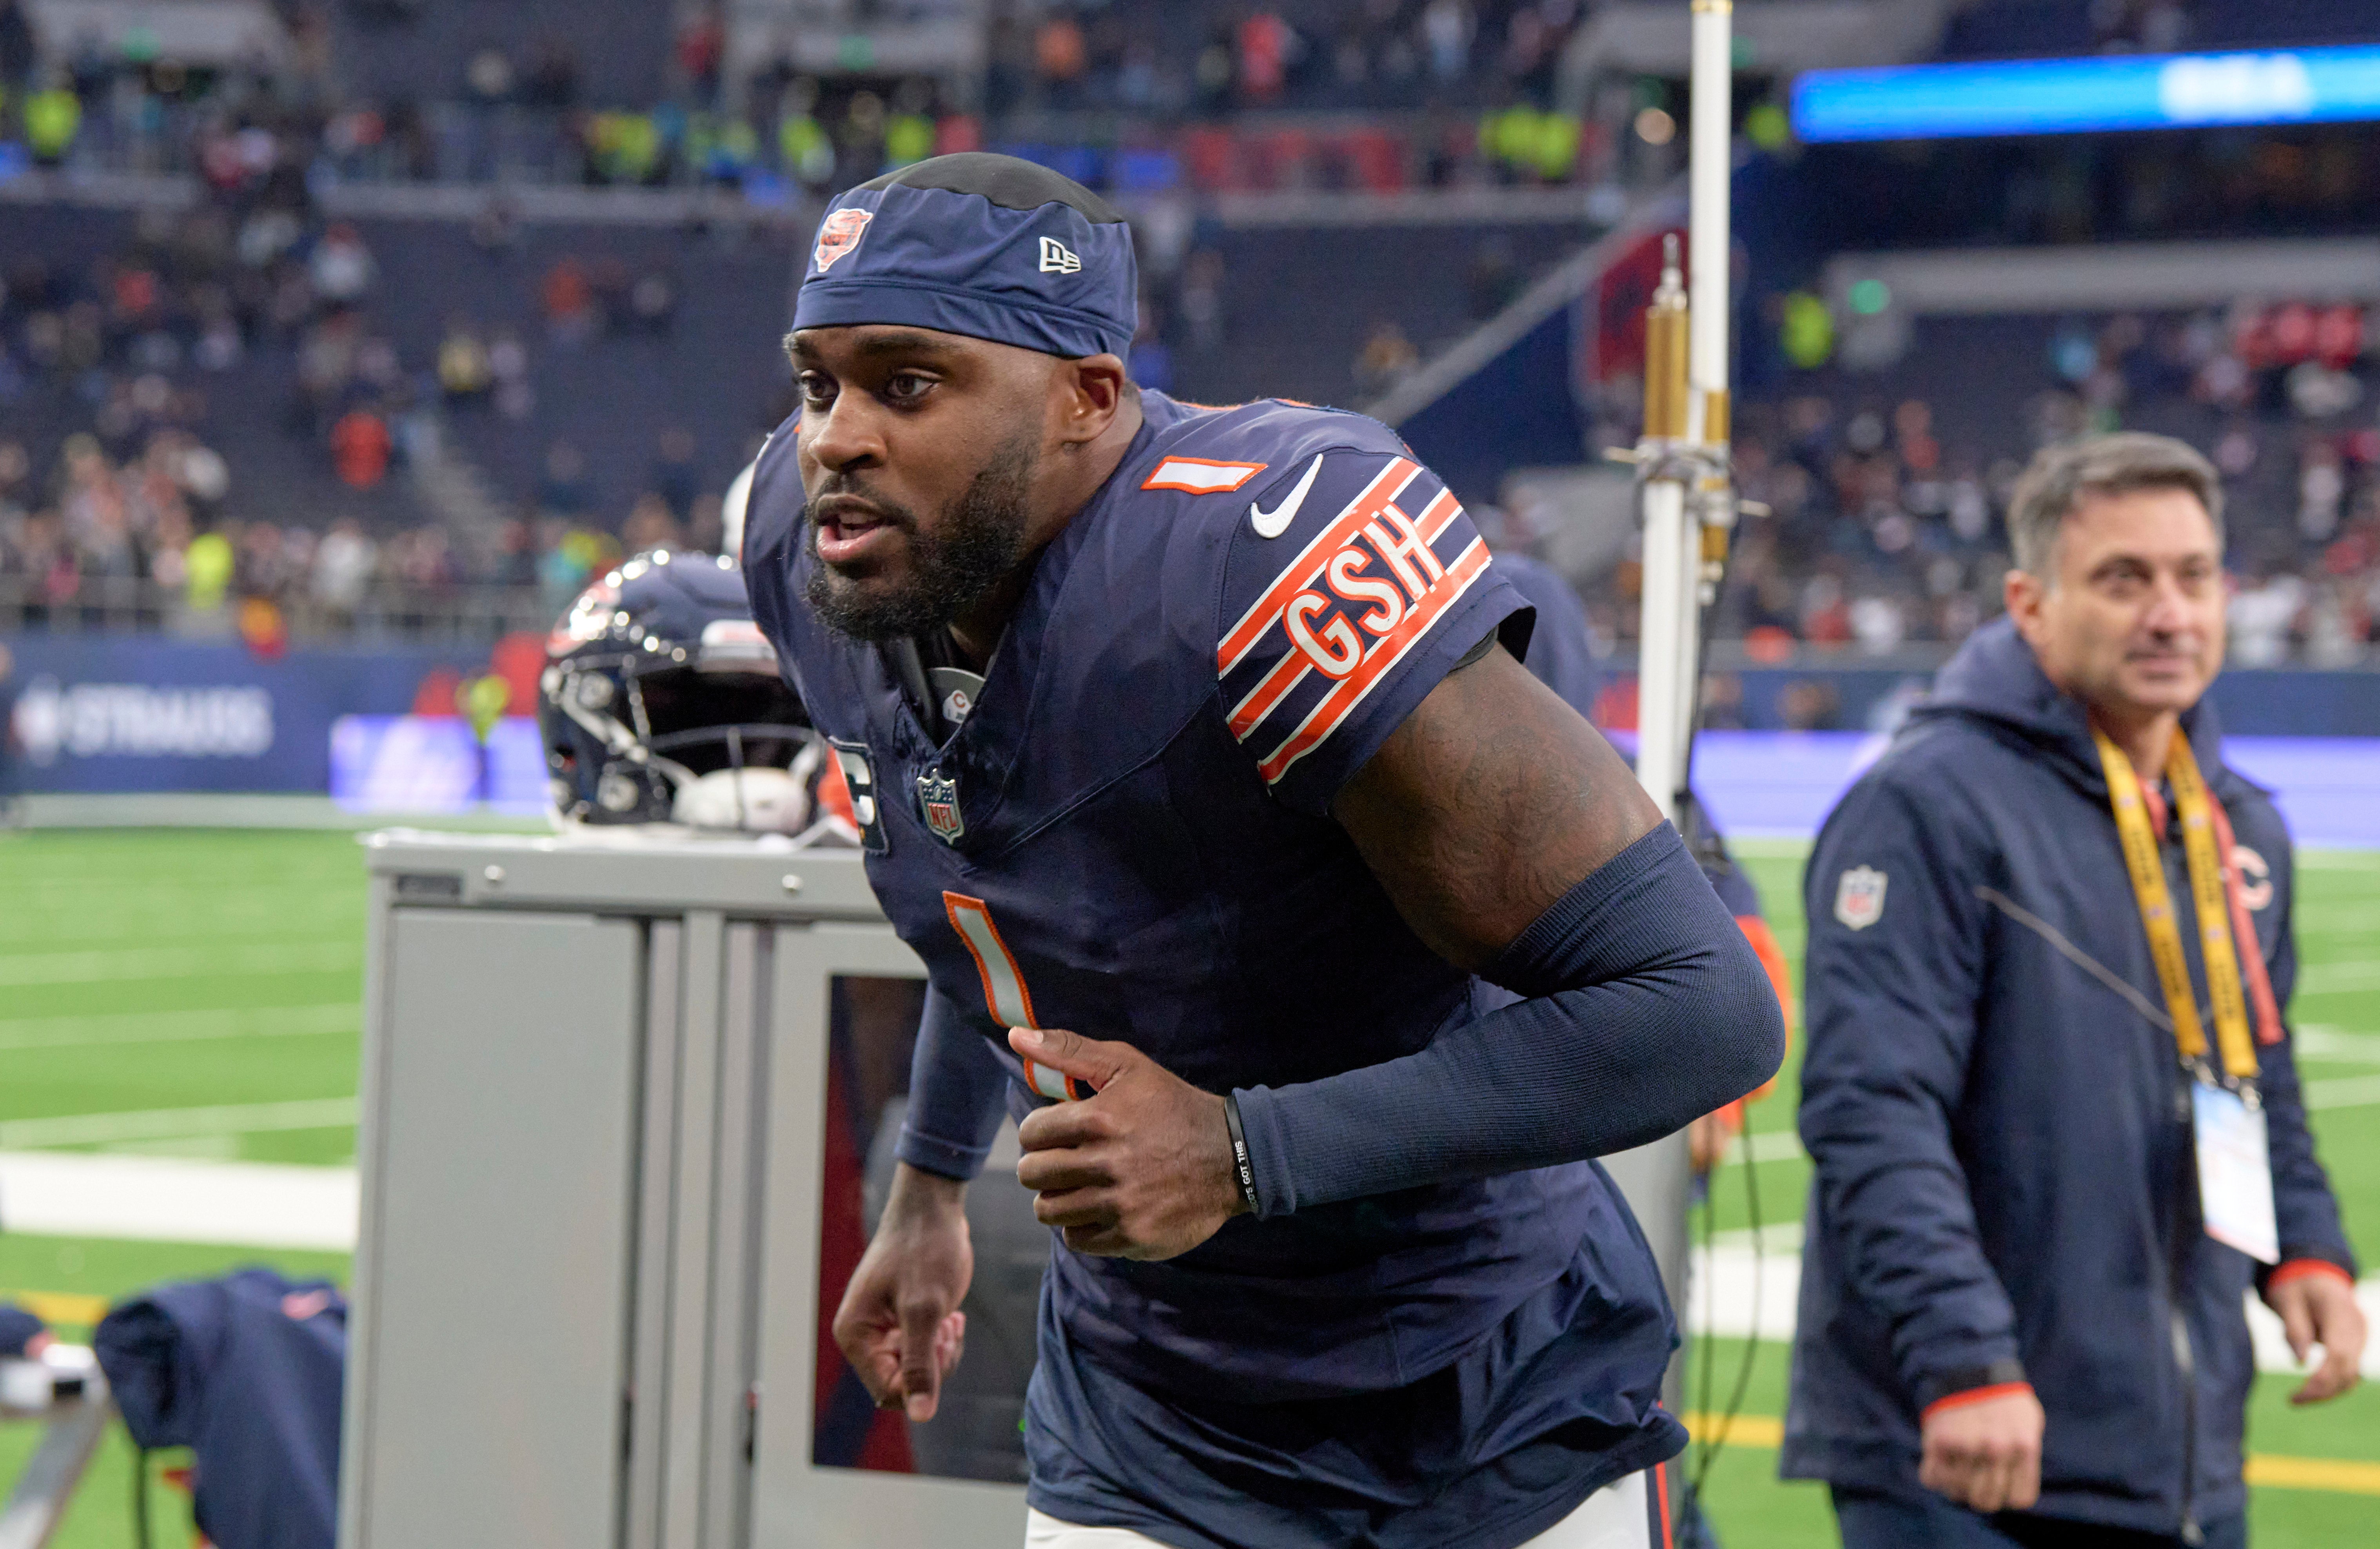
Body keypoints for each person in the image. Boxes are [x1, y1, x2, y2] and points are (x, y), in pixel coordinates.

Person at [742, 153, 1785, 1548]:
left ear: (1088, 401)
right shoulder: (817, 557)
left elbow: (1700, 1012)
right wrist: (931, 1182)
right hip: (1147, 1409)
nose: (836, 438)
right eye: (820, 384)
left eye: (908, 384)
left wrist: (1241, 1153)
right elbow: (985, 866)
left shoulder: (1256, 551)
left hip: (1482, 1393)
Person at [1784, 433, 2364, 1547]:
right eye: (2123, 579)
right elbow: (1871, 1110)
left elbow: (2255, 1069)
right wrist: (1964, 1359)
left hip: (2175, 1459)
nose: (2169, 613)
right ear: (2030, 603)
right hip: (1972, 1453)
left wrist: (2308, 1245)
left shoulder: (2238, 823)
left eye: (2194, 576)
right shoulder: (1927, 807)